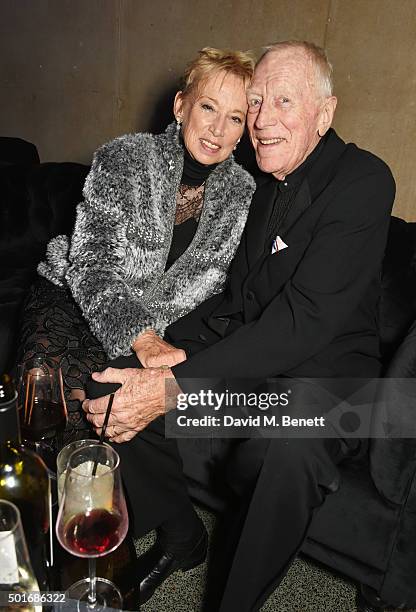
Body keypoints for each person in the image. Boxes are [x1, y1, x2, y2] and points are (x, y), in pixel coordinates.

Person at [84, 41, 395, 611]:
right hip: (249, 371)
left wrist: (179, 384)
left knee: (287, 442)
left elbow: (304, 321)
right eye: (256, 102)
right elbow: (234, 297)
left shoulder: (363, 180)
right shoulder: (256, 182)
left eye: (284, 101)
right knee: (115, 385)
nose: (261, 119)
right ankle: (182, 535)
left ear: (325, 114)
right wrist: (166, 349)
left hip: (322, 386)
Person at [18, 47, 256, 438]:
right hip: (72, 295)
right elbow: (91, 267)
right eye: (209, 108)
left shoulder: (243, 196)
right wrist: (141, 336)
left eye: (235, 118)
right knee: (45, 393)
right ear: (181, 107)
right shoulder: (125, 158)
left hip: (155, 332)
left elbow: (216, 292)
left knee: (106, 407)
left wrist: (165, 348)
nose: (218, 130)